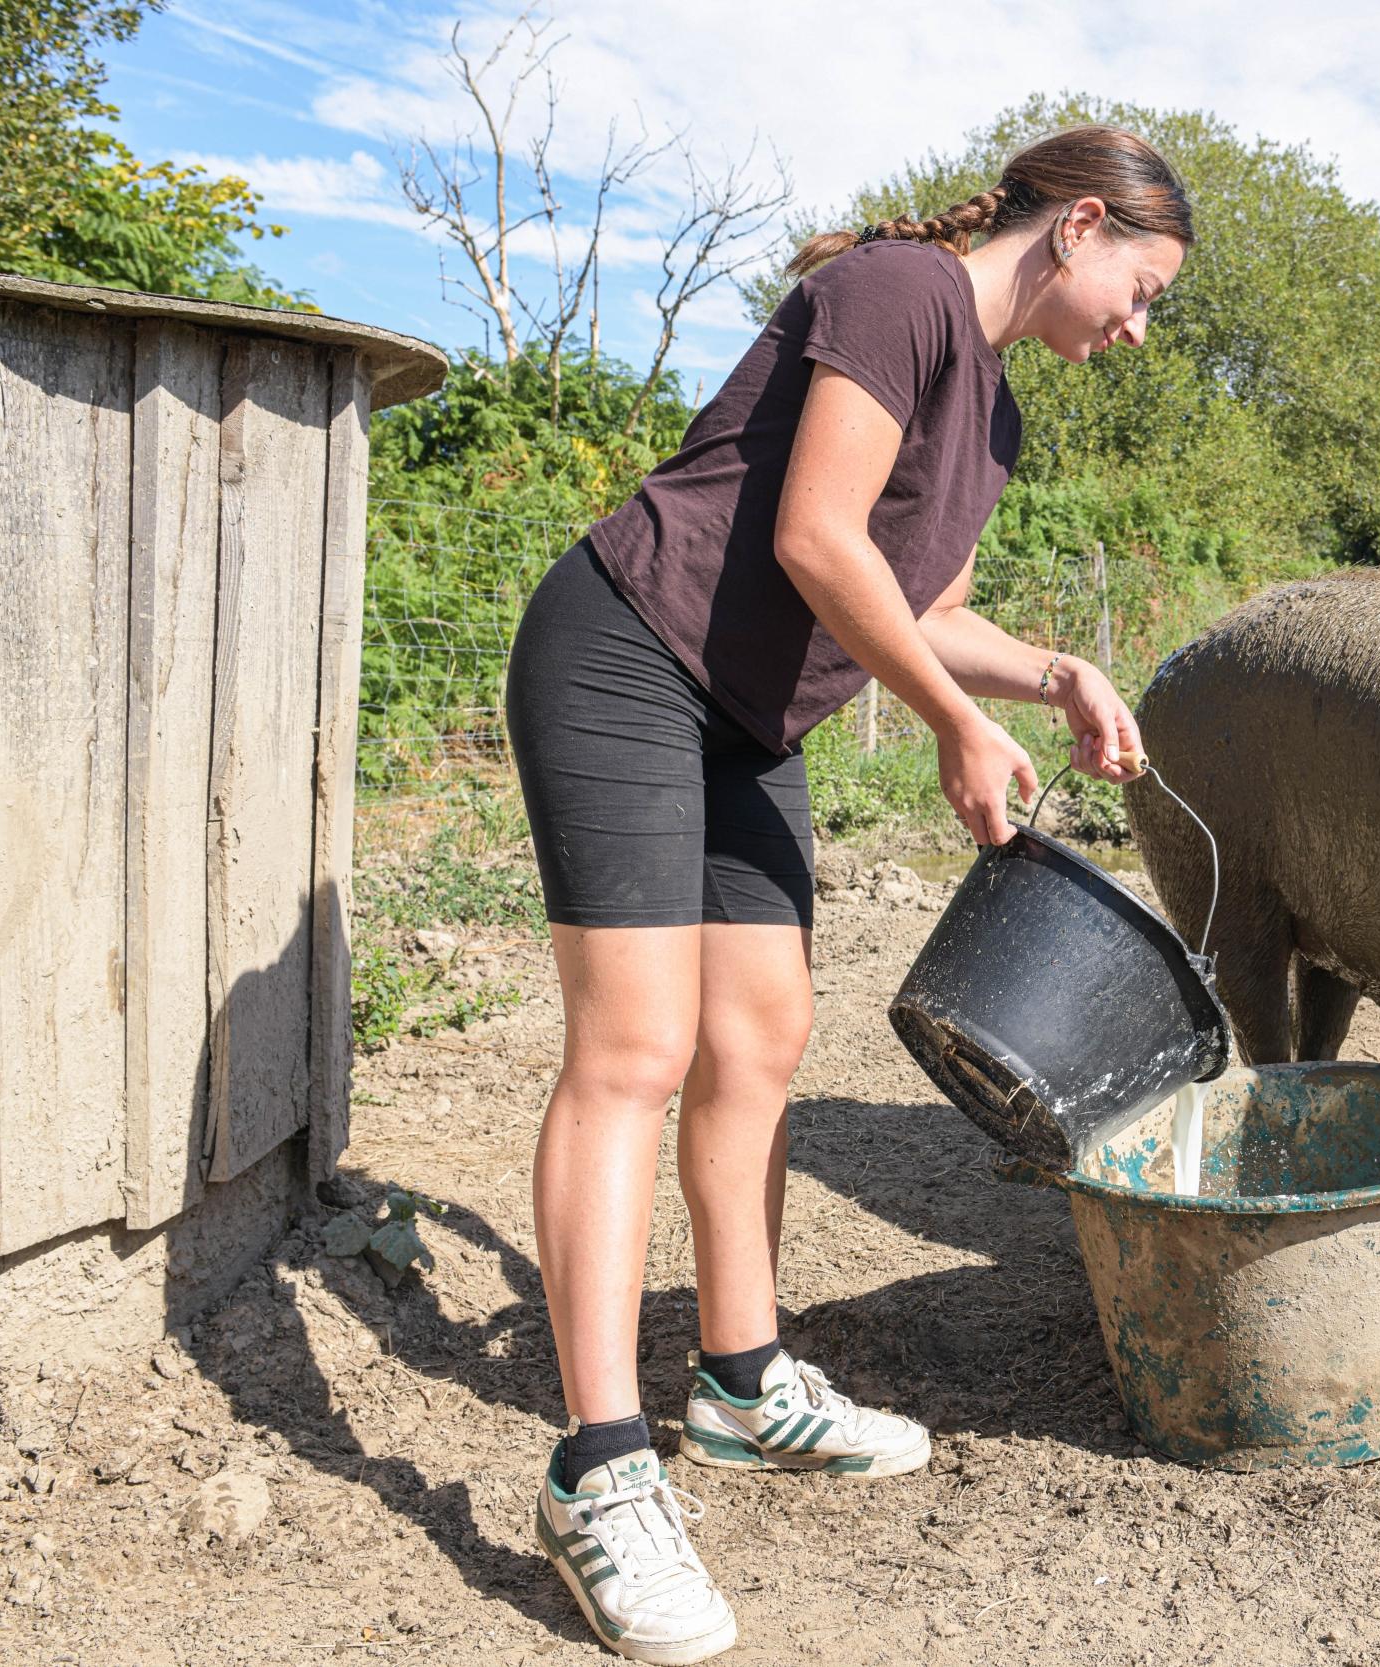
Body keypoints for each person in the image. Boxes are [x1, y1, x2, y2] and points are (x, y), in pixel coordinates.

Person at [501, 123, 1192, 1662]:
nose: (1136, 332)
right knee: (634, 1051)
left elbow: (924, 603)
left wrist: (1049, 669)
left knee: (760, 1040)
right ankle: (597, 1474)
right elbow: (817, 537)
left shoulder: (994, 414)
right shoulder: (901, 292)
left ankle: (742, 1385)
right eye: (1141, 292)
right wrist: (958, 729)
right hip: (626, 656)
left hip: (746, 716)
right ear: (1078, 228)